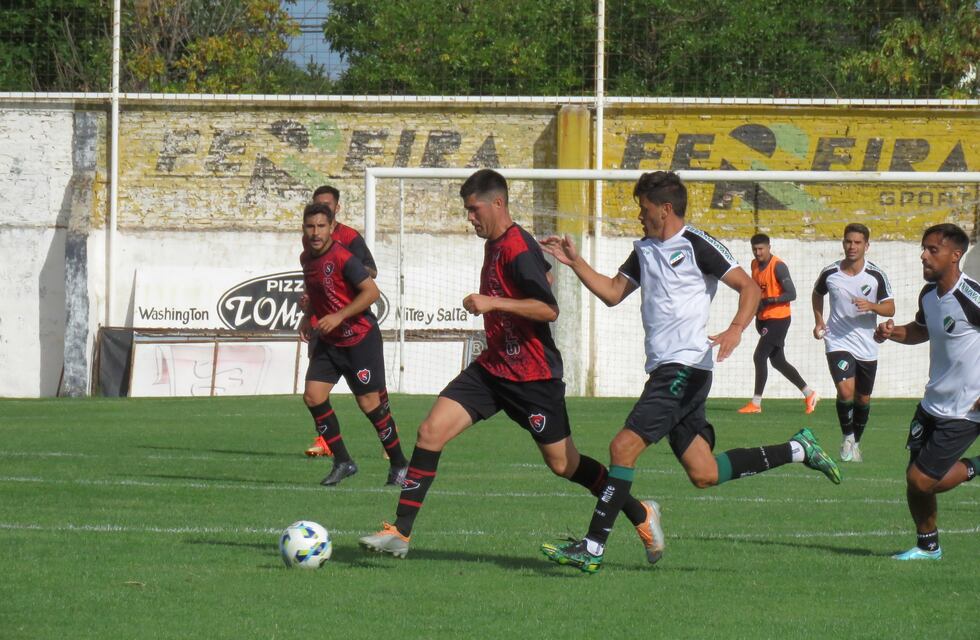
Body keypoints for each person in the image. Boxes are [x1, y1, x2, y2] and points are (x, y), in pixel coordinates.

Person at [537, 171, 841, 573]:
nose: (639, 216)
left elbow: (750, 288)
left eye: (644, 209)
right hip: (667, 369)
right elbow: (612, 293)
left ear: (665, 209)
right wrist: (575, 262)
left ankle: (592, 548)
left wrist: (735, 329)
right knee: (704, 472)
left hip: (686, 366)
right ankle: (798, 449)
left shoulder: (697, 244)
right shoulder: (643, 250)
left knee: (622, 448)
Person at [358, 168, 663, 560]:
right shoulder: (498, 243)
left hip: (533, 377)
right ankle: (400, 532)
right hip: (494, 367)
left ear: (497, 203)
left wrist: (494, 302)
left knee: (564, 464)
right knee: (430, 431)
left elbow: (548, 309)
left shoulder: (517, 247)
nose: (470, 217)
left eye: (473, 209)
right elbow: (544, 278)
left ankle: (640, 512)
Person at [873, 223, 979, 560]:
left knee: (922, 480)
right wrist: (892, 332)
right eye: (924, 247)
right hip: (932, 403)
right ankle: (927, 546)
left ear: (955, 255)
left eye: (933, 249)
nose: (923, 255)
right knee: (913, 480)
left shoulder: (972, 296)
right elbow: (922, 330)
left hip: (965, 408)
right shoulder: (928, 295)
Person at [299, 201, 408, 487]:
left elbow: (372, 293)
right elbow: (314, 290)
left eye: (321, 226)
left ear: (332, 228)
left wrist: (339, 316)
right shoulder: (306, 258)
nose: (315, 232)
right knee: (313, 395)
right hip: (330, 340)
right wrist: (308, 316)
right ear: (303, 229)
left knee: (369, 403)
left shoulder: (343, 258)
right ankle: (343, 461)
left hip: (359, 338)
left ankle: (399, 464)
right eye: (310, 226)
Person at [304, 185, 379, 458]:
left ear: (336, 210)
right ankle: (326, 442)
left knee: (370, 394)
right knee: (314, 390)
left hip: (352, 325)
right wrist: (307, 311)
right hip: (323, 323)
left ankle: (389, 445)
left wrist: (345, 273)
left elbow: (370, 271)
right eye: (317, 204)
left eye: (327, 205)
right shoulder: (310, 241)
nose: (322, 209)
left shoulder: (349, 238)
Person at [811, 223, 895, 462]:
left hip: (867, 344)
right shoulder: (830, 272)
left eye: (858, 242)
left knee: (863, 398)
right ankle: (847, 436)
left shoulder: (876, 275)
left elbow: (890, 307)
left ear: (866, 246)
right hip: (837, 340)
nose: (852, 246)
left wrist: (872, 306)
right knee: (846, 390)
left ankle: (855, 442)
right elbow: (817, 294)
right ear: (843, 243)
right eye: (848, 241)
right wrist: (819, 320)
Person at [737, 233, 819, 414]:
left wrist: (770, 301)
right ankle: (809, 393)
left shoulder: (778, 266)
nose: (758, 253)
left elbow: (792, 294)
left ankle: (756, 403)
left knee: (759, 356)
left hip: (779, 319)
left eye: (761, 249)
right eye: (755, 249)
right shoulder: (754, 265)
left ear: (769, 247)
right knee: (778, 361)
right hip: (764, 318)